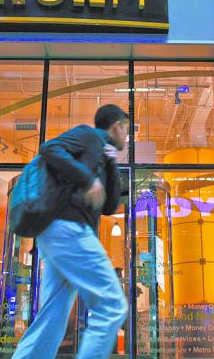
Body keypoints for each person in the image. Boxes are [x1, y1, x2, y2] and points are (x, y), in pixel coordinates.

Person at [11, 104, 129, 359]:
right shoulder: (87, 135)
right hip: (69, 229)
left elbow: (108, 207)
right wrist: (87, 179)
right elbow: (49, 148)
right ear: (117, 125)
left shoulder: (104, 153)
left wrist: (110, 164)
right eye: (126, 129)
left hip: (59, 234)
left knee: (52, 315)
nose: (127, 137)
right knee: (111, 305)